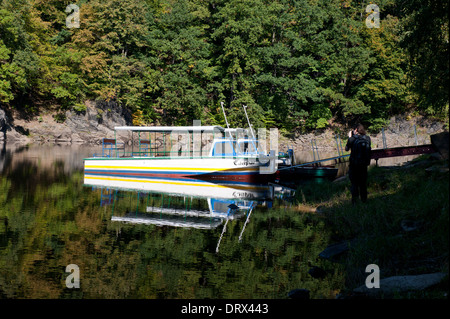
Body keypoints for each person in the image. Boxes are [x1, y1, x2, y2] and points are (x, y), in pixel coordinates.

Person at [345, 123, 372, 204]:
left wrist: (350, 137)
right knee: (363, 184)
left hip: (354, 165)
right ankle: (364, 201)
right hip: (363, 165)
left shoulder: (352, 138)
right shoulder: (367, 138)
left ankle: (355, 203)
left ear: (355, 130)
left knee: (354, 184)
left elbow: (346, 148)